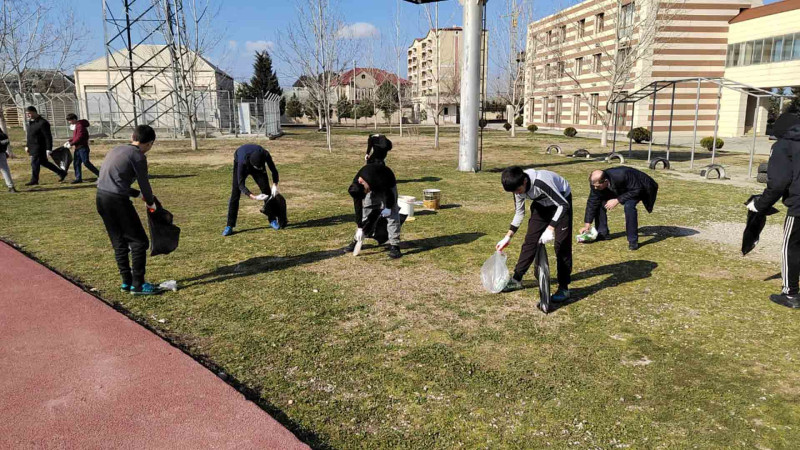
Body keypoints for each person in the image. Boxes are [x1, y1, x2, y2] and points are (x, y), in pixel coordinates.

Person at [96, 125, 161, 295]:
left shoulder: (117, 149)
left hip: (101, 198)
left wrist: (137, 194)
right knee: (139, 242)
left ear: (133, 137)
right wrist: (150, 202)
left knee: (119, 242)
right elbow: (144, 182)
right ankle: (138, 285)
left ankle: (126, 281)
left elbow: (112, 179)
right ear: (150, 143)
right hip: (117, 201)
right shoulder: (138, 156)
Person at [496, 166, 573, 302]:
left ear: (524, 181)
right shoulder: (517, 187)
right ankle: (517, 279)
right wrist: (508, 236)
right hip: (541, 205)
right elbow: (519, 213)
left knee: (561, 246)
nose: (517, 193)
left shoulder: (541, 182)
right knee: (530, 241)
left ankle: (564, 288)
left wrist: (550, 228)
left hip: (561, 202)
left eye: (518, 190)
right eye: (514, 192)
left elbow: (563, 205)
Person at [748, 112, 800, 308]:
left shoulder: (783, 146)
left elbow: (778, 183)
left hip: (799, 205)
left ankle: (790, 294)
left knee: (791, 247)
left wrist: (760, 205)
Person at [578, 167, 659, 251]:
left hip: (637, 188)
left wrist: (617, 200)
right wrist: (587, 224)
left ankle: (633, 241)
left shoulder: (622, 175)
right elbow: (592, 201)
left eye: (597, 186)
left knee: (629, 207)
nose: (595, 188)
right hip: (621, 188)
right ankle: (602, 233)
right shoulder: (595, 183)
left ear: (605, 181)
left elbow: (638, 190)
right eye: (594, 186)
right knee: (598, 202)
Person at [346, 163, 402, 259]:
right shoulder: (356, 186)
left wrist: (388, 208)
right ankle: (357, 240)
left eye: (366, 191)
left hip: (387, 182)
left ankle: (395, 246)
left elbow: (389, 194)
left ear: (363, 183)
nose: (368, 193)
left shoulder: (379, 180)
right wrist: (359, 227)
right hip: (371, 182)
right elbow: (358, 208)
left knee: (392, 215)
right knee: (366, 211)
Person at [222, 144, 279, 236]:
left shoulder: (265, 154)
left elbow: (274, 170)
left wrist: (275, 185)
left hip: (256, 162)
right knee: (235, 194)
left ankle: (272, 219)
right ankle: (229, 225)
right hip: (242, 162)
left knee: (267, 191)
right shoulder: (241, 161)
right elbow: (241, 185)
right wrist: (254, 197)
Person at [24, 106, 66, 186]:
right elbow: (30, 136)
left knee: (34, 163)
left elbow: (48, 137)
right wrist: (27, 145)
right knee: (44, 162)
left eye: (29, 113)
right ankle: (61, 173)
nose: (28, 115)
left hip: (39, 147)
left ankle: (34, 180)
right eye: (27, 114)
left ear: (34, 112)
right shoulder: (31, 122)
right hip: (32, 146)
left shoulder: (43, 123)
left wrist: (48, 149)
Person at [64, 113, 100, 183]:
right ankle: (78, 178)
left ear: (74, 119)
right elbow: (76, 137)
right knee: (76, 163)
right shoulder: (77, 126)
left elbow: (80, 137)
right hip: (78, 148)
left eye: (70, 120)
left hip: (83, 148)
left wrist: (71, 143)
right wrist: (69, 141)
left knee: (86, 163)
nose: (69, 122)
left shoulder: (80, 126)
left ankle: (100, 175)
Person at [0, 128, 17, 192]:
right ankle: (11, 187)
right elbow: (6, 141)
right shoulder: (2, 134)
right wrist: (4, 150)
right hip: (1, 153)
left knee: (5, 170)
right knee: (5, 170)